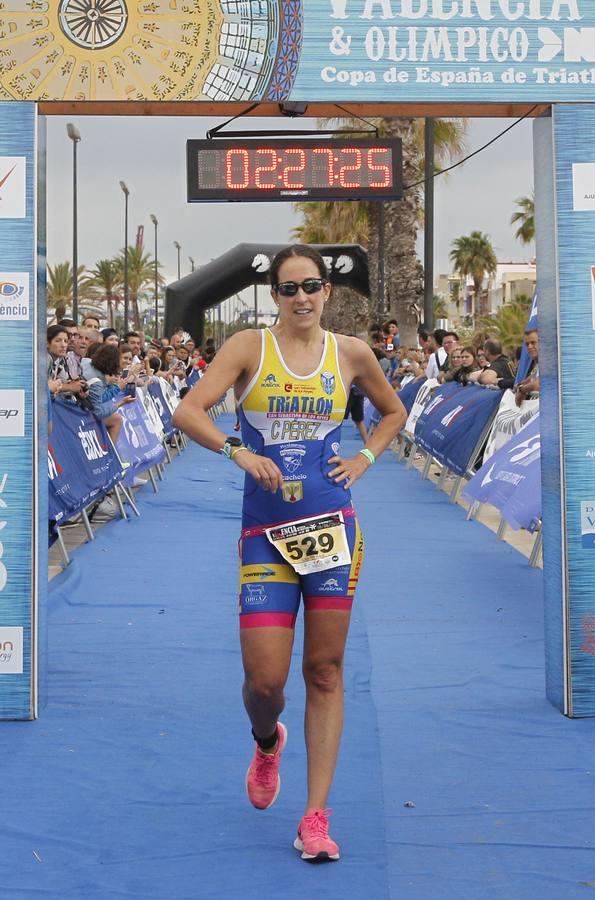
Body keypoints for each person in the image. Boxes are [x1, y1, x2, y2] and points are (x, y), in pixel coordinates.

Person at [173, 245, 405, 863]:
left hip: (332, 531)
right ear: (273, 295)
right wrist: (239, 453)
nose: (301, 297)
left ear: (327, 291)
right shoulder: (250, 348)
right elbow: (188, 411)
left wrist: (364, 458)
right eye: (288, 287)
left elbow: (392, 412)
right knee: (265, 682)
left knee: (325, 671)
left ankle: (315, 818)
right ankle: (265, 739)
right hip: (265, 536)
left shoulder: (351, 353)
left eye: (311, 285)